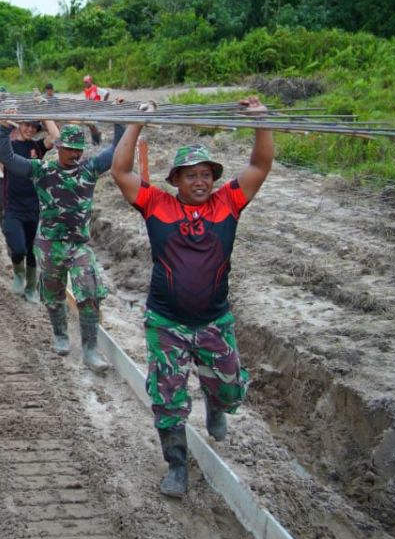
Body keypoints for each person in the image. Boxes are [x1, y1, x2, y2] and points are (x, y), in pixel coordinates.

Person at [110, 97, 273, 498]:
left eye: (206, 175)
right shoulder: (156, 205)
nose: (200, 182)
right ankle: (177, 467)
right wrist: (136, 123)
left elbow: (259, 166)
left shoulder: (228, 203)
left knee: (232, 389)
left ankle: (217, 403)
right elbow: (120, 170)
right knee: (167, 400)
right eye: (190, 176)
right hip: (166, 323)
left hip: (215, 320)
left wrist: (260, 121)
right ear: (176, 180)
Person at [0, 109, 125, 369]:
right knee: (54, 294)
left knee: (89, 292)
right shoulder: (42, 170)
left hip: (78, 245)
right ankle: (60, 336)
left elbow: (115, 152)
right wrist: (3, 131)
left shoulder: (89, 170)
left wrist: (120, 121)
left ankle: (90, 350)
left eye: (78, 149)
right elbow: (10, 159)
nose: (75, 154)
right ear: (58, 147)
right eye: (69, 148)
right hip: (49, 244)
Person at [0, 119, 49, 298]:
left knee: (32, 251)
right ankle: (19, 273)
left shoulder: (38, 147)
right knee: (18, 247)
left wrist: (45, 114)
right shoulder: (6, 147)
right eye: (26, 125)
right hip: (12, 207)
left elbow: (56, 136)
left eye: (34, 127)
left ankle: (31, 287)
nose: (29, 129)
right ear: (19, 125)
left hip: (34, 207)